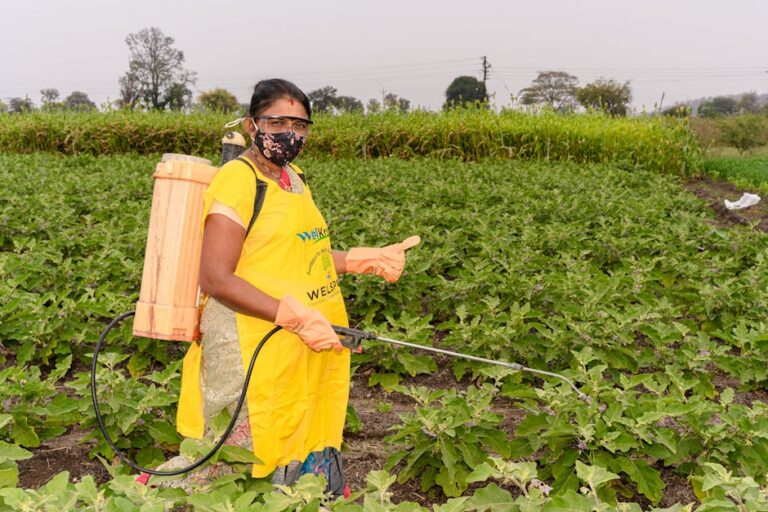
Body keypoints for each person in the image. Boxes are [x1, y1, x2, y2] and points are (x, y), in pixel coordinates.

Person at [149, 79, 420, 496]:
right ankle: (141, 498)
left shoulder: (294, 179)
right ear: (252, 124)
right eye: (277, 122)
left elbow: (293, 255)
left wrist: (358, 260)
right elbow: (216, 278)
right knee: (230, 452)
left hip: (301, 333)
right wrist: (288, 317)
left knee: (295, 429)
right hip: (249, 336)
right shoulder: (238, 180)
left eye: (300, 124)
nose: (289, 133)